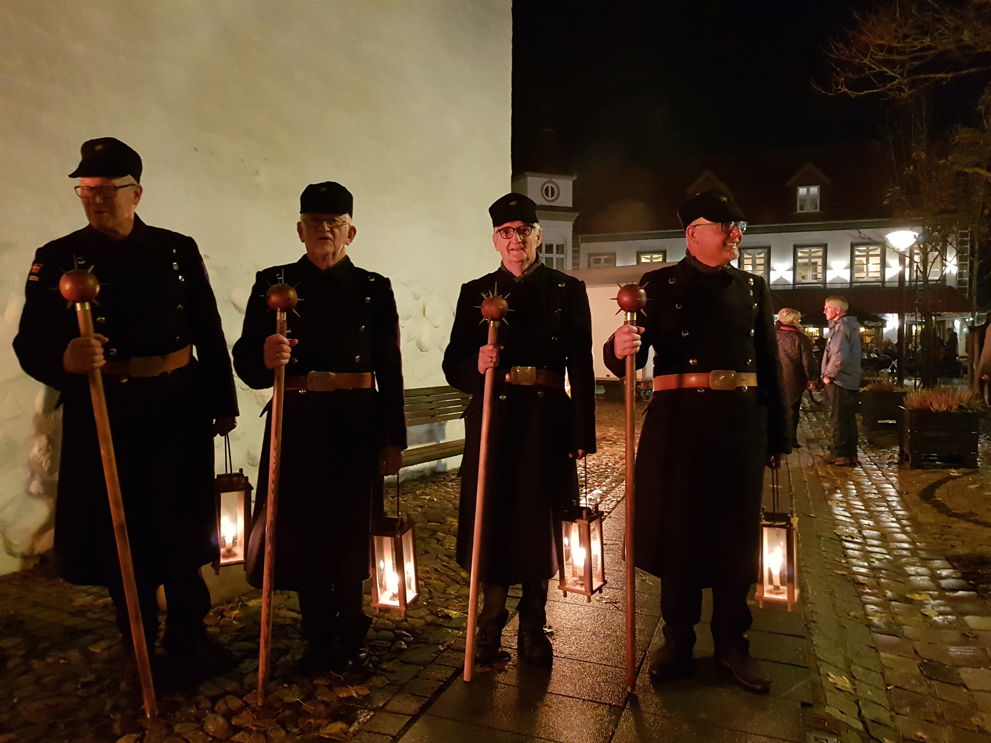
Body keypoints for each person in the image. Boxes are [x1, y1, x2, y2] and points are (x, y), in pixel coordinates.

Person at [13, 137, 239, 682]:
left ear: (135, 192)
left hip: (177, 406)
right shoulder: (58, 257)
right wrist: (64, 358)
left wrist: (222, 400)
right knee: (120, 526)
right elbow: (30, 342)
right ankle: (135, 631)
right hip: (107, 409)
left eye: (106, 190)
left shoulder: (176, 249)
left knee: (183, 525)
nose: (94, 200)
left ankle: (189, 633)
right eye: (85, 190)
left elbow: (208, 327)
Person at [604, 190, 788, 694]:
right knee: (679, 530)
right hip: (679, 424)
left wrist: (779, 434)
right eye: (725, 224)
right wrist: (617, 348)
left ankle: (733, 644)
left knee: (735, 537)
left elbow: (769, 364)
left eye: (737, 225)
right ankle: (678, 640)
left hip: (738, 426)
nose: (736, 233)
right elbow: (628, 354)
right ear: (693, 233)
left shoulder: (752, 287)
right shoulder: (657, 285)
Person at [232, 181, 405, 674]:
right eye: (314, 223)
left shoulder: (374, 287)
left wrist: (393, 437)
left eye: (334, 224)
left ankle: (351, 626)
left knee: (350, 525)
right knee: (302, 526)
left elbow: (390, 367)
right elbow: (245, 358)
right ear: (300, 230)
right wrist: (263, 357)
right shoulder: (276, 282)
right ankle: (316, 632)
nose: (324, 232)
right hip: (299, 421)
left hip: (356, 424)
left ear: (350, 231)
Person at [443, 193, 595, 667]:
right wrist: (476, 364)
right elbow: (453, 363)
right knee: (491, 518)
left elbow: (582, 368)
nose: (515, 240)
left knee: (540, 522)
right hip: (495, 419)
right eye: (506, 232)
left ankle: (534, 623)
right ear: (495, 239)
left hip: (546, 420)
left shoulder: (567, 291)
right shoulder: (476, 291)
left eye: (523, 231)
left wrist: (581, 433)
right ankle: (488, 624)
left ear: (537, 235)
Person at [820, 296, 862, 466]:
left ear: (837, 310)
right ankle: (851, 453)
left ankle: (839, 453)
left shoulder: (840, 328)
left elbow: (839, 354)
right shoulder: (850, 327)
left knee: (838, 418)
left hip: (840, 380)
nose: (824, 311)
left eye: (827, 307)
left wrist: (829, 375)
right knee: (848, 418)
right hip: (850, 379)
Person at [776, 308, 816, 448]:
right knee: (792, 410)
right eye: (798, 319)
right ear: (793, 321)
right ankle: (789, 439)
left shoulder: (771, 335)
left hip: (774, 377)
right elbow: (808, 361)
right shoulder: (800, 338)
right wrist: (811, 378)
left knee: (775, 409)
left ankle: (774, 438)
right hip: (792, 378)